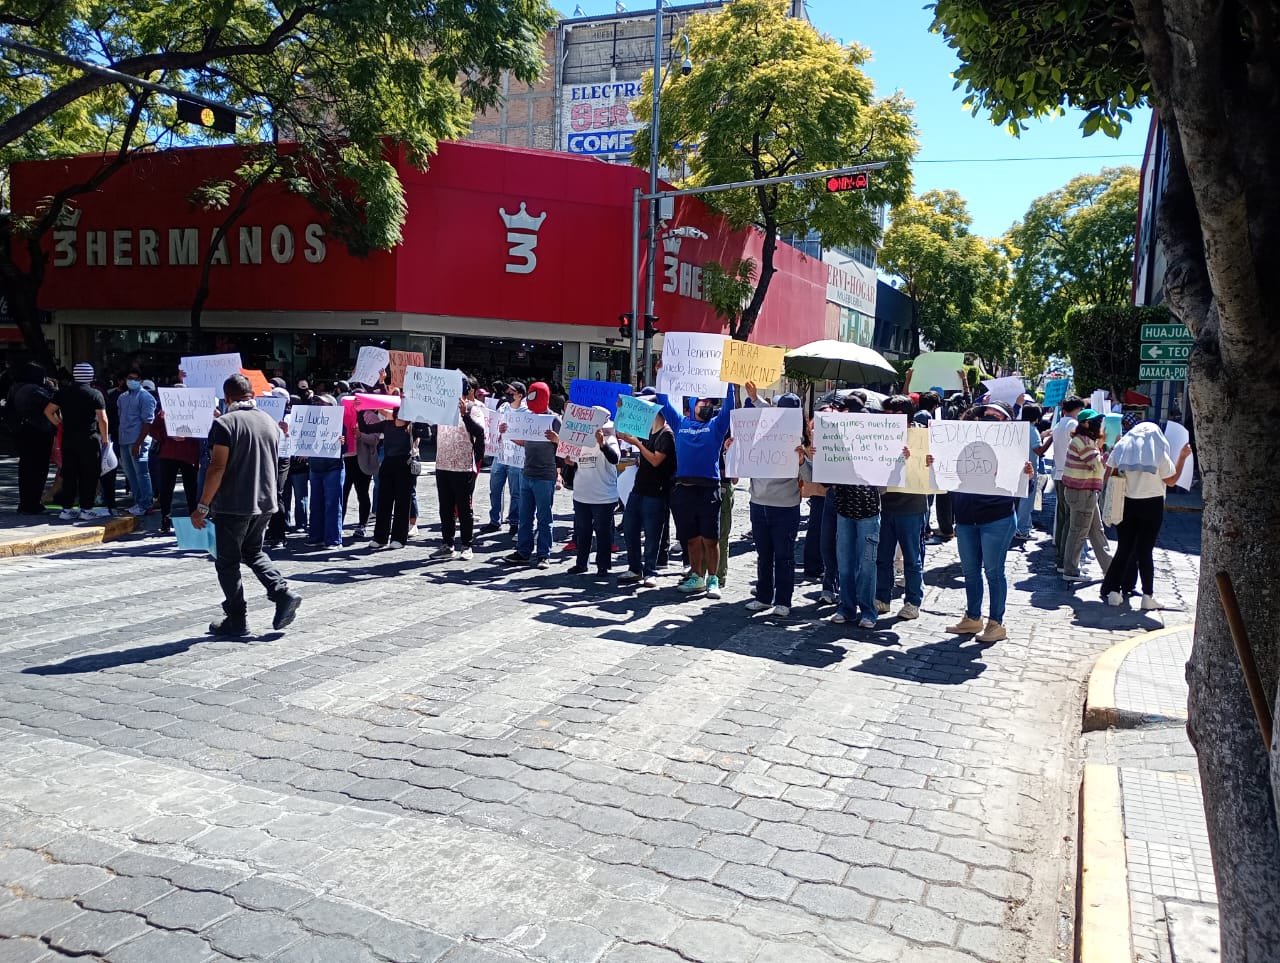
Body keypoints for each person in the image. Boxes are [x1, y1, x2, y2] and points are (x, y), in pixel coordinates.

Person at [190, 373, 301, 636]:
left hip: (234, 504)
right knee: (253, 552)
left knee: (227, 562)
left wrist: (202, 506)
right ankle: (282, 592)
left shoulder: (225, 424)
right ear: (251, 394)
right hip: (265, 502)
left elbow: (217, 467)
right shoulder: (269, 422)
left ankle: (237, 620)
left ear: (227, 397)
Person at [945, 401, 1035, 643]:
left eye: (997, 416)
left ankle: (996, 624)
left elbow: (1025, 488)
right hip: (965, 518)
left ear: (1007, 422)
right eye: (987, 415)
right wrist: (935, 465)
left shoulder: (1013, 449)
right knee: (970, 572)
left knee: (994, 572)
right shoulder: (963, 443)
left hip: (997, 517)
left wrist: (1028, 476)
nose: (990, 420)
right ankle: (973, 618)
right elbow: (948, 473)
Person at [1100, 423, 1192, 610]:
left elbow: (1108, 474)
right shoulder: (1158, 452)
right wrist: (1182, 458)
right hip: (1152, 503)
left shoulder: (1122, 447)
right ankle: (1147, 596)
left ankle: (1115, 592)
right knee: (1145, 551)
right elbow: (1172, 480)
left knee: (1123, 548)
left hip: (1126, 502)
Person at [659, 384, 736, 598]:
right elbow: (663, 403)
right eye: (704, 402)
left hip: (709, 489)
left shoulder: (716, 426)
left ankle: (713, 579)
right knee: (691, 539)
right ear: (693, 405)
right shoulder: (680, 423)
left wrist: (730, 384)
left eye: (711, 403)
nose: (708, 406)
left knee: (711, 539)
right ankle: (697, 577)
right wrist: (661, 377)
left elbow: (729, 408)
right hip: (684, 490)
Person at [741, 387, 810, 617]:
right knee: (764, 555)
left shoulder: (801, 442)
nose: (774, 414)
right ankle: (763, 597)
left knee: (784, 556)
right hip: (758, 503)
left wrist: (802, 461)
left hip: (785, 507)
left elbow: (810, 478)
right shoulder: (762, 431)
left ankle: (783, 600)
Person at [875, 395, 930, 621]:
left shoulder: (922, 437)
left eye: (892, 415)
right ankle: (882, 598)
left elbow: (930, 468)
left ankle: (912, 601)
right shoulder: (880, 435)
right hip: (885, 503)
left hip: (911, 506)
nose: (888, 420)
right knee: (882, 555)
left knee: (911, 557)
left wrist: (914, 457)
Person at [617, 397, 676, 588]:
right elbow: (621, 433)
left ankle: (650, 571)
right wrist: (622, 412)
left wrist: (638, 444)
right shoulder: (647, 431)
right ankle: (635, 568)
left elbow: (655, 460)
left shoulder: (666, 434)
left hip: (656, 492)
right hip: (639, 489)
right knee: (630, 529)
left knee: (653, 534)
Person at [503, 381, 562, 569]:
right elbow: (524, 442)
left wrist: (556, 439)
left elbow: (568, 448)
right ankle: (523, 551)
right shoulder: (529, 418)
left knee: (545, 517)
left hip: (545, 476)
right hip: (527, 472)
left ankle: (544, 554)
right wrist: (507, 434)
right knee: (525, 517)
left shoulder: (555, 420)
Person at [44, 362, 109, 521]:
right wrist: (105, 439)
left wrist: (59, 423)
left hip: (68, 437)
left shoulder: (64, 392)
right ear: (91, 376)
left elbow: (48, 411)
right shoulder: (95, 394)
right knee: (89, 474)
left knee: (69, 473)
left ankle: (66, 509)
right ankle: (86, 509)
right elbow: (102, 419)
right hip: (89, 438)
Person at [431, 379, 487, 560]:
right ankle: (447, 544)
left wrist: (465, 415)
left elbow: (479, 432)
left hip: (463, 466)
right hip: (442, 464)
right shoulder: (440, 409)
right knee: (445, 508)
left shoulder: (473, 409)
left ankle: (466, 544)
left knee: (464, 508)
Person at [360, 401, 426, 550]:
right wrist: (361, 411)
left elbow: (427, 434)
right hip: (388, 465)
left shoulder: (412, 427)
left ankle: (398, 538)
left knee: (402, 503)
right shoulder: (387, 424)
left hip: (405, 466)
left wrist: (421, 417)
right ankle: (380, 537)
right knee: (383, 502)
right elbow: (366, 428)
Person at [1060, 408, 1113, 583]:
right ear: (1085, 424)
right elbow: (1097, 466)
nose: (1099, 424)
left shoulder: (1085, 440)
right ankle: (1071, 570)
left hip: (1086, 493)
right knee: (1078, 532)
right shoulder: (1083, 441)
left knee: (1096, 531)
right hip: (1082, 493)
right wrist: (1107, 454)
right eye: (1095, 421)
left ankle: (1110, 569)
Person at [565, 410, 621, 575]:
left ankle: (603, 566)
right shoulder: (579, 438)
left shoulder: (609, 438)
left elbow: (614, 459)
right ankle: (581, 563)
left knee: (603, 533)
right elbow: (575, 462)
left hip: (603, 496)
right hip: (582, 494)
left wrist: (602, 444)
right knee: (582, 531)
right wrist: (569, 461)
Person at [151, 387, 201, 534]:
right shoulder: (164, 412)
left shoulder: (195, 409)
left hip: (189, 454)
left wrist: (188, 436)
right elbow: (153, 429)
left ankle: (194, 518)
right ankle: (165, 520)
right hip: (169, 454)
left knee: (191, 489)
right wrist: (168, 435)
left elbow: (203, 430)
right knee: (166, 489)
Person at [8, 362, 56, 515]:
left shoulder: (15, 388)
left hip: (22, 432)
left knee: (26, 468)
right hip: (38, 432)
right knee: (39, 469)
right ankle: (33, 502)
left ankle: (25, 502)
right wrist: (52, 387)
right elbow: (53, 402)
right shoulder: (34, 390)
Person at [1048, 396, 1086, 571]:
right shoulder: (1072, 425)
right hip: (1069, 475)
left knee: (1063, 516)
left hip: (1058, 474)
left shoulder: (1058, 425)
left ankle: (1060, 557)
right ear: (1077, 410)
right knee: (1070, 519)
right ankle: (1065, 559)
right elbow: (1077, 449)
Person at [484, 381, 526, 535]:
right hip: (501, 454)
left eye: (512, 391)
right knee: (495, 488)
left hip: (517, 456)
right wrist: (498, 429)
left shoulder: (526, 412)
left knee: (516, 491)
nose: (508, 393)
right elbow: (493, 426)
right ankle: (495, 520)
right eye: (508, 390)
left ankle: (514, 521)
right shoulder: (503, 407)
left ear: (520, 395)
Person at [306, 395, 346, 548]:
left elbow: (346, 448)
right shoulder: (310, 422)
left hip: (333, 468)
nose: (319, 405)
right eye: (317, 402)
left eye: (323, 403)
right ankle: (316, 537)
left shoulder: (339, 424)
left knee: (332, 504)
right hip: (315, 467)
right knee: (315, 503)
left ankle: (333, 540)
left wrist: (342, 443)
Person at [117, 366, 157, 517]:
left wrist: (139, 443)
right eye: (129, 378)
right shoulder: (122, 398)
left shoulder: (146, 397)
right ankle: (138, 501)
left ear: (140, 381)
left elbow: (148, 422)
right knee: (130, 473)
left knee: (141, 472)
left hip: (138, 440)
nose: (131, 381)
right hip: (124, 440)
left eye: (135, 379)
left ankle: (146, 503)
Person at [1014, 403, 1043, 541]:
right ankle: (1022, 530)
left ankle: (1023, 526)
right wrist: (1050, 439)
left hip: (1017, 468)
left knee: (1020, 501)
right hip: (1029, 470)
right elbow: (1039, 450)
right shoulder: (1032, 430)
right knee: (1027, 501)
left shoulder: (1019, 428)